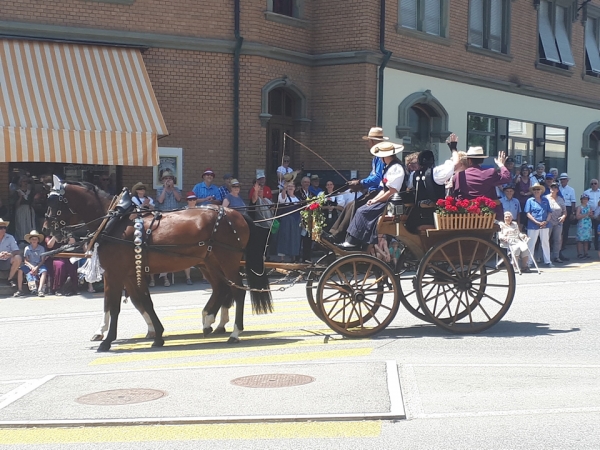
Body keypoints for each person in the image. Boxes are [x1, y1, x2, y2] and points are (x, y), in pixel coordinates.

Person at [340, 141, 405, 249]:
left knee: (362, 211)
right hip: (387, 200)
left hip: (394, 203)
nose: (379, 158)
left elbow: (392, 191)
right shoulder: (388, 168)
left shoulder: (396, 168)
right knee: (363, 207)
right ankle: (355, 241)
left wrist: (376, 201)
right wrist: (374, 199)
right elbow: (384, 189)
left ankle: (354, 242)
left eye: (380, 156)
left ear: (386, 156)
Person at [328, 127, 389, 241]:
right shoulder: (376, 158)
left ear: (371, 141)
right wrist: (359, 184)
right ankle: (334, 232)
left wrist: (360, 182)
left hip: (378, 192)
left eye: (369, 141)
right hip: (372, 191)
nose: (368, 144)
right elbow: (372, 176)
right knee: (350, 204)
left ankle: (343, 237)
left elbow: (377, 178)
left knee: (355, 206)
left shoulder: (382, 157)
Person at [453, 147, 511, 219]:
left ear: (469, 160)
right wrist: (501, 164)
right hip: (487, 217)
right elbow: (507, 177)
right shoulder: (490, 172)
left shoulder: (458, 175)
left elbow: (455, 194)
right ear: (482, 160)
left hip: (465, 217)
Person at [524, 183, 552, 268]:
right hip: (533, 225)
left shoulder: (545, 200)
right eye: (535, 189)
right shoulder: (530, 200)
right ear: (532, 191)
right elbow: (528, 213)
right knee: (531, 244)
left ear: (541, 191)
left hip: (545, 225)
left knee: (545, 243)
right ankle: (529, 262)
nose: (536, 191)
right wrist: (536, 222)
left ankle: (548, 261)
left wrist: (546, 221)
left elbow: (549, 212)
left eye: (538, 189)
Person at [14, 230, 48, 297]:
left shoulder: (41, 248)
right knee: (20, 270)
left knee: (44, 271)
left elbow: (42, 260)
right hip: (29, 265)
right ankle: (20, 290)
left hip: (39, 265)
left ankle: (40, 290)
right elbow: (26, 260)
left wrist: (36, 267)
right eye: (32, 239)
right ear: (30, 240)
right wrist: (32, 267)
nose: (34, 240)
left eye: (36, 239)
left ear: (38, 240)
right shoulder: (27, 248)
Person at [276, 181, 301, 262]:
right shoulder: (284, 195)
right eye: (289, 186)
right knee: (284, 237)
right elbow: (282, 200)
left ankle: (293, 257)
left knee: (294, 238)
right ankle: (282, 258)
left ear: (294, 188)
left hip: (296, 221)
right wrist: (284, 189)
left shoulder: (297, 198)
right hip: (286, 220)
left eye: (292, 186)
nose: (290, 187)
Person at [545, 182, 567, 264]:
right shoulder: (545, 198)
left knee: (557, 240)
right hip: (548, 222)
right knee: (545, 240)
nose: (553, 189)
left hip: (558, 222)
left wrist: (563, 216)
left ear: (557, 190)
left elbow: (565, 211)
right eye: (551, 187)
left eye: (555, 188)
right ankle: (544, 257)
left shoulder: (560, 199)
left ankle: (556, 257)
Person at [10, 176, 36, 242]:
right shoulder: (17, 192)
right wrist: (20, 198)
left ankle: (31, 240)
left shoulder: (30, 192)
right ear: (20, 182)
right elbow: (16, 205)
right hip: (20, 210)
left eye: (27, 182)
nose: (25, 183)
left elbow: (33, 202)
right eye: (24, 181)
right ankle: (21, 240)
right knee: (21, 226)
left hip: (29, 210)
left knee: (30, 225)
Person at [558, 173, 576, 260]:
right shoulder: (557, 188)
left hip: (568, 208)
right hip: (559, 208)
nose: (563, 181)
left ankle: (563, 244)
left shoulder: (571, 189)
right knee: (558, 227)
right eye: (561, 179)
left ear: (567, 180)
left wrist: (572, 213)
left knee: (566, 228)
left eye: (564, 179)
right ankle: (558, 245)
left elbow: (573, 202)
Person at [0, 219, 22, 287]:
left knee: (18, 258)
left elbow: (17, 250)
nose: (3, 229)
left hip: (7, 260)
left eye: (4, 228)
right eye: (1, 228)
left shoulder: (10, 237)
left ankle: (10, 279)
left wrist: (10, 254)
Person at [295, 177, 313, 262]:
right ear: (302, 183)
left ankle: (306, 258)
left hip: (309, 219)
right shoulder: (297, 193)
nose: (306, 184)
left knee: (307, 239)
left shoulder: (311, 194)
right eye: (305, 182)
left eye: (308, 182)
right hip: (299, 218)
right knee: (298, 239)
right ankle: (296, 257)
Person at [583, 179, 600, 252]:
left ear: (598, 184)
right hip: (589, 214)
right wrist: (590, 213)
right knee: (588, 231)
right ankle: (588, 246)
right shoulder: (586, 192)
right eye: (592, 184)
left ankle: (597, 246)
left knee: (598, 231)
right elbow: (584, 203)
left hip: (599, 214)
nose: (593, 185)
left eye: (595, 183)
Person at [576, 193, 594, 259]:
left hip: (588, 225)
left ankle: (586, 253)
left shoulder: (589, 207)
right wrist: (586, 214)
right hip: (581, 225)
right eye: (584, 199)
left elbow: (591, 216)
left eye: (586, 199)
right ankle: (579, 253)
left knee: (586, 240)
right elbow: (577, 217)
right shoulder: (579, 207)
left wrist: (591, 215)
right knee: (580, 240)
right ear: (581, 200)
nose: (585, 200)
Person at [515, 165, 533, 229]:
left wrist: (525, 194)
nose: (525, 172)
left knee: (524, 215)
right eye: (523, 170)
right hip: (518, 200)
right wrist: (517, 175)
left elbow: (531, 191)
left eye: (526, 170)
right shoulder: (519, 179)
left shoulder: (530, 180)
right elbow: (514, 183)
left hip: (526, 200)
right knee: (519, 215)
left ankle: (522, 229)